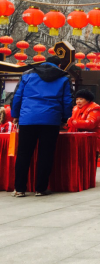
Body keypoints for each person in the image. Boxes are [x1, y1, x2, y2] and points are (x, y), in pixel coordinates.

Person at [11, 56, 73, 198]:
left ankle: (19, 189)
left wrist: (16, 115)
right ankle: (40, 189)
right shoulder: (64, 77)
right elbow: (67, 100)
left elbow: (17, 96)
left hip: (27, 119)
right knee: (46, 154)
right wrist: (64, 118)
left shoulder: (27, 74)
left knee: (23, 154)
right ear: (59, 65)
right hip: (51, 119)